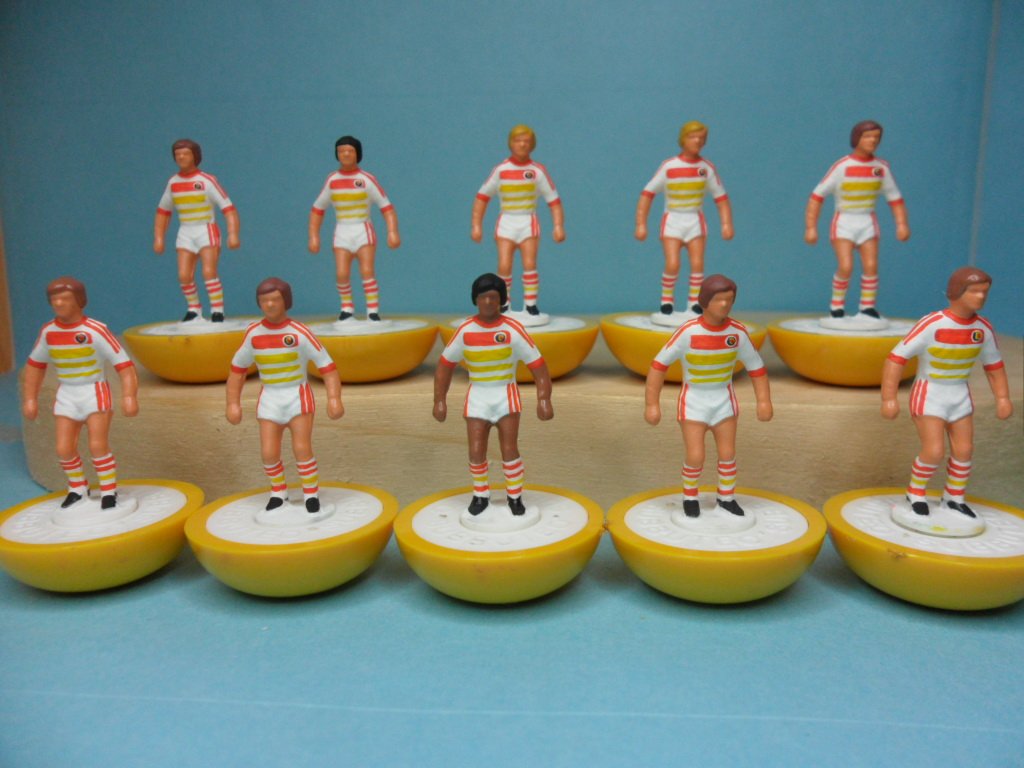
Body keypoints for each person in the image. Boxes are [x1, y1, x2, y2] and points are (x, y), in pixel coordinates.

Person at [881, 267, 1011, 518]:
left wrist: (1002, 397)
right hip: (930, 395)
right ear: (956, 292)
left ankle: (954, 497)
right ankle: (915, 492)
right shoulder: (932, 324)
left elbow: (993, 366)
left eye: (984, 292)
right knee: (934, 451)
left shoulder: (983, 329)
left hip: (960, 396)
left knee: (964, 450)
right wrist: (889, 398)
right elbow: (896, 358)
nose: (981, 297)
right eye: (974, 291)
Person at [645, 275, 772, 517]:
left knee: (727, 453)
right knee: (695, 455)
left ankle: (726, 498)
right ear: (704, 301)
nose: (724, 305)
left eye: (729, 300)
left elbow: (756, 367)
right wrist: (652, 404)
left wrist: (764, 401)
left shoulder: (737, 333)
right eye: (718, 300)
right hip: (694, 404)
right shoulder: (688, 332)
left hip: (724, 403)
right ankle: (690, 496)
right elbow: (659, 365)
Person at [433, 273, 554, 515]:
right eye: (483, 297)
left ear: (502, 300)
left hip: (506, 397)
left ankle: (515, 497)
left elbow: (538, 366)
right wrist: (439, 400)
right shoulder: (465, 331)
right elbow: (445, 366)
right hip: (477, 398)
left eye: (493, 297)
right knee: (476, 450)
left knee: (509, 449)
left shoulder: (513, 330)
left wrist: (544, 398)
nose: (488, 302)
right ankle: (480, 495)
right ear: (475, 300)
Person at [226, 278, 344, 513]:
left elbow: (327, 367)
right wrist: (232, 403)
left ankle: (310, 493)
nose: (270, 305)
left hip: (297, 397)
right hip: (269, 399)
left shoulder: (300, 332)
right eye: (264, 300)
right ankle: (278, 492)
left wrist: (334, 398)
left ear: (286, 301)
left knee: (302, 448)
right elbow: (237, 371)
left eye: (275, 299)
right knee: (268, 451)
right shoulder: (253, 334)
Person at [22, 277, 139, 509]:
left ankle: (108, 491)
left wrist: (129, 396)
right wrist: (30, 398)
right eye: (54, 299)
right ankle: (77, 488)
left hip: (94, 392)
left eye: (65, 298)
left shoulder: (95, 330)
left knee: (97, 445)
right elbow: (35, 365)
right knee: (64, 448)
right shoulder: (48, 332)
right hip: (67, 394)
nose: (58, 304)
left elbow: (124, 365)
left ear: (79, 300)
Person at [805, 120, 910, 318]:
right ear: (857, 138)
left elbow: (894, 198)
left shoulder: (880, 169)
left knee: (871, 266)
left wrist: (901, 224)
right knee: (846, 266)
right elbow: (817, 196)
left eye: (876, 137)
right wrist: (811, 227)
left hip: (867, 222)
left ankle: (867, 307)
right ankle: (837, 306)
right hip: (844, 222)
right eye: (867, 136)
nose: (872, 141)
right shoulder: (842, 167)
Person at [635, 121, 733, 316]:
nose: (697, 141)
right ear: (683, 139)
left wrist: (726, 223)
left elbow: (721, 198)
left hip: (695, 221)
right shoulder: (669, 166)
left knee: (697, 264)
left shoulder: (706, 168)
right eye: (692, 137)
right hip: (673, 220)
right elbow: (647, 193)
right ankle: (666, 301)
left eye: (701, 138)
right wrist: (641, 224)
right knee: (673, 264)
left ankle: (694, 303)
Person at [471, 125, 564, 315]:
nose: (522, 144)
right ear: (510, 144)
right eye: (518, 140)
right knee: (504, 265)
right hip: (506, 223)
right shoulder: (501, 170)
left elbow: (553, 200)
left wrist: (558, 226)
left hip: (528, 223)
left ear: (532, 145)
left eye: (526, 141)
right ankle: (504, 304)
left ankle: (530, 305)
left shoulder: (537, 171)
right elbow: (482, 197)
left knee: (529, 264)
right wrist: (476, 225)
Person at [309, 136, 401, 321]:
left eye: (350, 151)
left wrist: (392, 232)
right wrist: (314, 236)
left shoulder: (366, 179)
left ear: (358, 153)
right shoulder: (332, 180)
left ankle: (372, 311)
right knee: (342, 273)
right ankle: (346, 308)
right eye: (341, 151)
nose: (346, 154)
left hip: (363, 230)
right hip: (342, 231)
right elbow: (318, 209)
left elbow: (386, 207)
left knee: (367, 271)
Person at [154, 139, 241, 322]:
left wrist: (233, 234)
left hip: (206, 230)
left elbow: (228, 208)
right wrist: (159, 237)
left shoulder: (207, 181)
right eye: (178, 154)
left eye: (185, 153)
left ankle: (217, 310)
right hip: (185, 231)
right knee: (184, 274)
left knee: (209, 272)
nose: (181, 157)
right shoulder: (173, 183)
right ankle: (194, 308)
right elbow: (163, 211)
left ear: (195, 156)